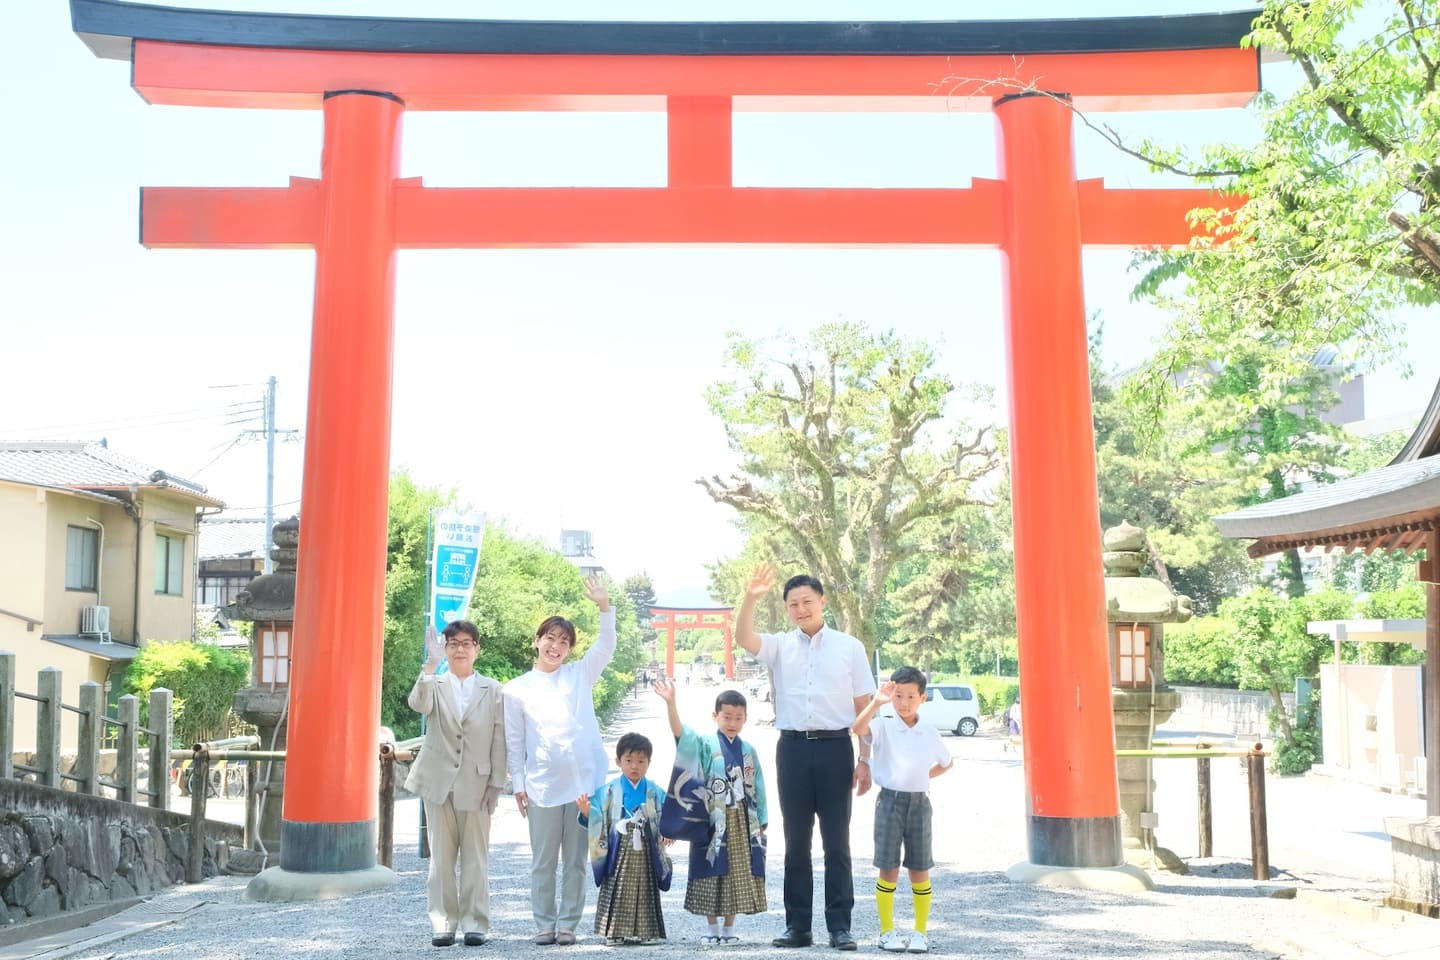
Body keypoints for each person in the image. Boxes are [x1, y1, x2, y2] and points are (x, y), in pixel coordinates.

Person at [735, 564, 876, 952]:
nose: (801, 609)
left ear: (822, 602)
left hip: (835, 749)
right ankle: (798, 926)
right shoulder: (780, 645)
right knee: (796, 842)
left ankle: (840, 926)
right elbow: (743, 636)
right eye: (793, 604)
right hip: (793, 748)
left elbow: (863, 705)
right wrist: (750, 596)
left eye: (807, 601)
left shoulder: (849, 647)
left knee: (837, 842)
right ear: (787, 608)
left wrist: (865, 758)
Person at [504, 577, 616, 946]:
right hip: (542, 785)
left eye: (564, 641)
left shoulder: (578, 675)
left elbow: (605, 647)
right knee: (543, 861)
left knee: (575, 860)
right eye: (550, 638)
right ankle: (543, 924)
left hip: (584, 783)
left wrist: (604, 608)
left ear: (569, 650)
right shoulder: (516, 688)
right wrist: (518, 784)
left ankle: (568, 923)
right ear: (537, 641)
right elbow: (515, 741)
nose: (556, 646)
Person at [405, 619, 507, 948]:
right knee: (441, 859)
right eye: (453, 643)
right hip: (438, 781)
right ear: (446, 649)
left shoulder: (492, 689)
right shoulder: (434, 683)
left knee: (476, 858)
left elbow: (499, 740)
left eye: (466, 643)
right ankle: (443, 922)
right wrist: (431, 664)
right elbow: (417, 705)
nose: (460, 648)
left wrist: (496, 783)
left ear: (477, 649)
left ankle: (476, 922)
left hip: (477, 782)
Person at [653, 677, 768, 944]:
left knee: (736, 871)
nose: (732, 723)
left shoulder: (748, 750)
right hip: (712, 819)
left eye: (738, 718)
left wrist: (761, 819)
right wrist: (671, 703)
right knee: (711, 868)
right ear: (715, 716)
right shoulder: (705, 744)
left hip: (742, 818)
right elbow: (682, 735)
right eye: (727, 717)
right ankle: (712, 928)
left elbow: (758, 786)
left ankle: (729, 929)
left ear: (745, 719)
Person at [851, 668, 954, 954]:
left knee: (920, 868)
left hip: (920, 803)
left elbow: (947, 763)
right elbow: (857, 728)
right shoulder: (884, 724)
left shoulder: (928, 731)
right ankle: (887, 931)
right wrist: (876, 702)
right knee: (889, 867)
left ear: (923, 697)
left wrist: (922, 776)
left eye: (911, 696)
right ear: (891, 696)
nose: (904, 703)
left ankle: (920, 932)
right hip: (890, 801)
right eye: (898, 696)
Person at [577, 732, 673, 945]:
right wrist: (587, 813)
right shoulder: (609, 790)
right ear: (618, 761)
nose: (634, 766)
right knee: (616, 887)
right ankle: (614, 931)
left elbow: (668, 813)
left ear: (649, 763)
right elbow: (597, 817)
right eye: (628, 761)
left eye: (641, 761)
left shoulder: (654, 791)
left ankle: (648, 930)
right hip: (618, 847)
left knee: (646, 887)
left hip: (646, 845)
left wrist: (667, 830)